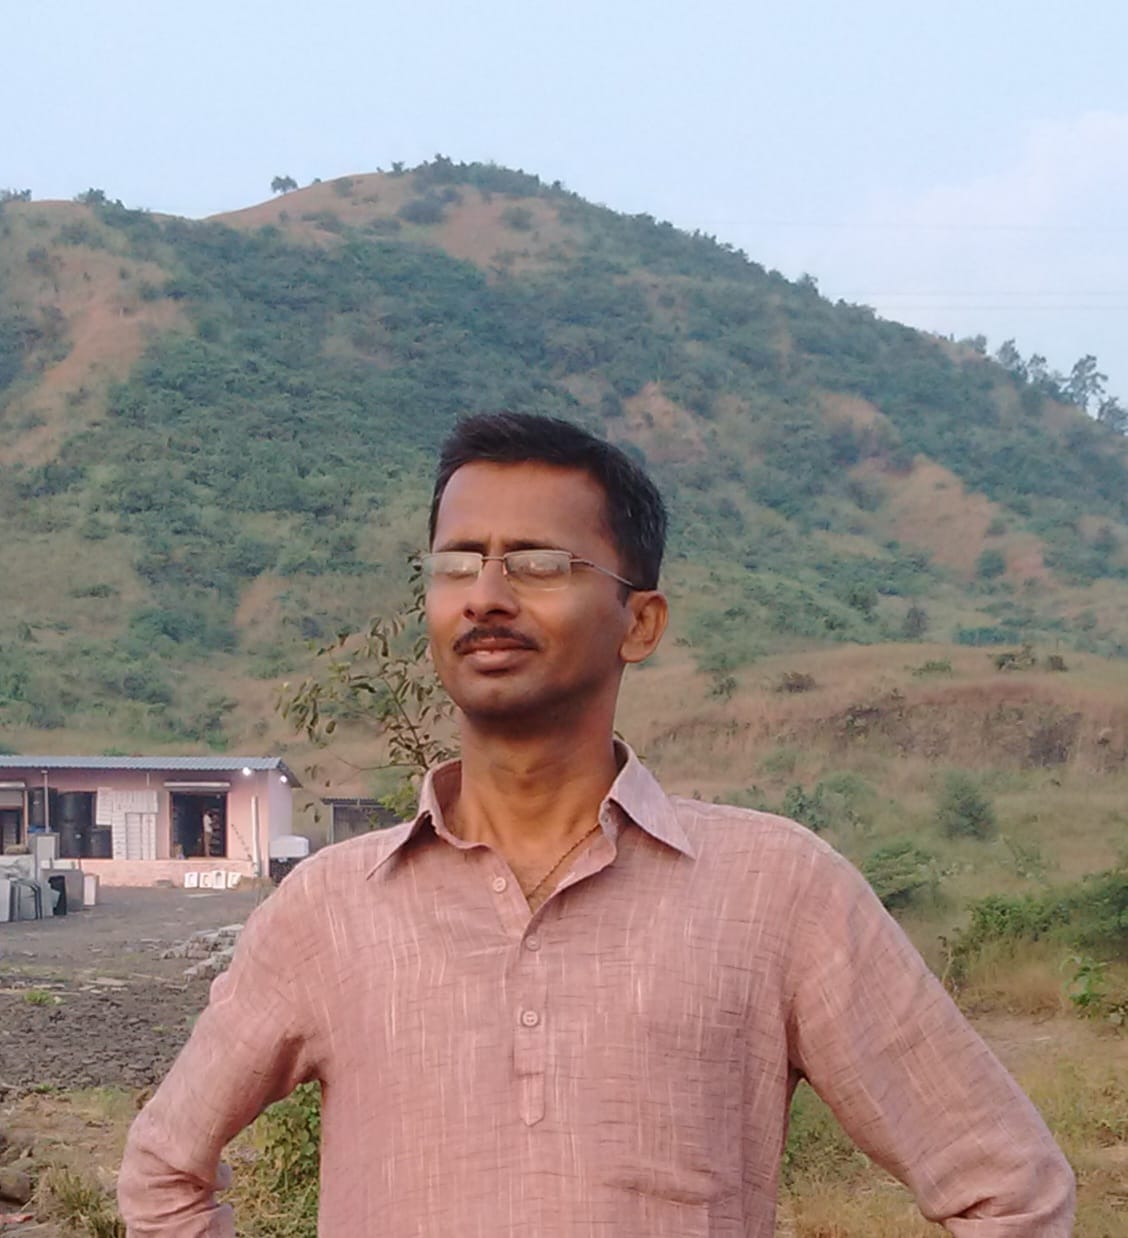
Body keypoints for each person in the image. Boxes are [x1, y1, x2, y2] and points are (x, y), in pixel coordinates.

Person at [118, 412, 1074, 1236]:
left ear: (640, 623)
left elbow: (1009, 1190)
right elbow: (164, 1173)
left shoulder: (779, 892)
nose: (487, 595)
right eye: (458, 563)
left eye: (539, 563)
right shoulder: (329, 908)